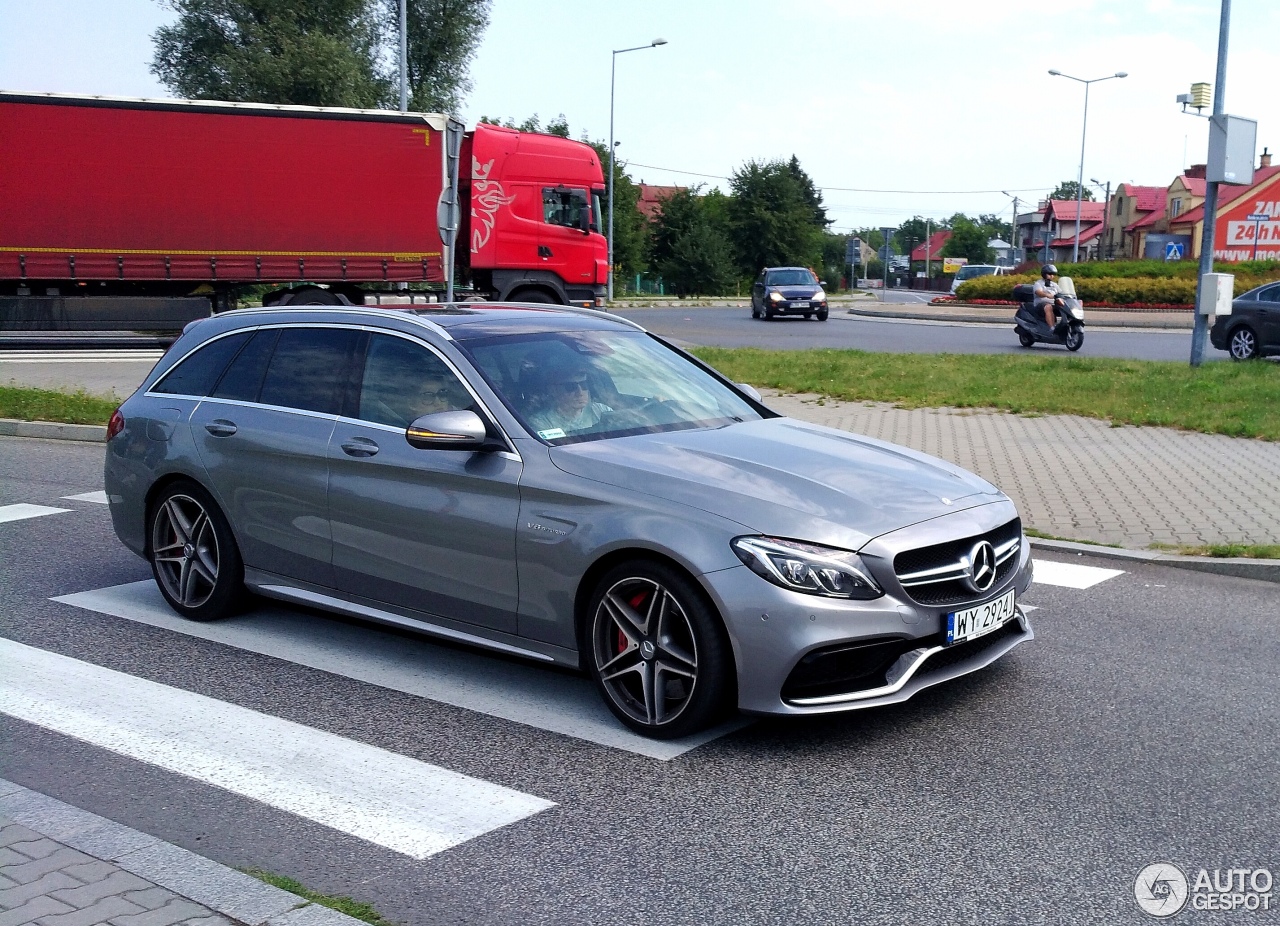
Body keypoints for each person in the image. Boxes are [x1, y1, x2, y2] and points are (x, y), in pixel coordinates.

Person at [528, 362, 612, 434]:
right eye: (570, 387)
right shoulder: (541, 423)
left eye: (584, 385)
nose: (580, 392)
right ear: (553, 390)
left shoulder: (601, 410)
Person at [1033, 264, 1061, 330]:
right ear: (1044, 274)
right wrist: (1047, 295)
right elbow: (1038, 292)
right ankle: (1052, 328)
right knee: (1048, 307)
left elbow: (1061, 292)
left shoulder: (1054, 285)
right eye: (1050, 274)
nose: (1052, 276)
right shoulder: (1038, 283)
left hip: (1053, 303)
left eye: (1053, 274)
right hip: (1040, 304)